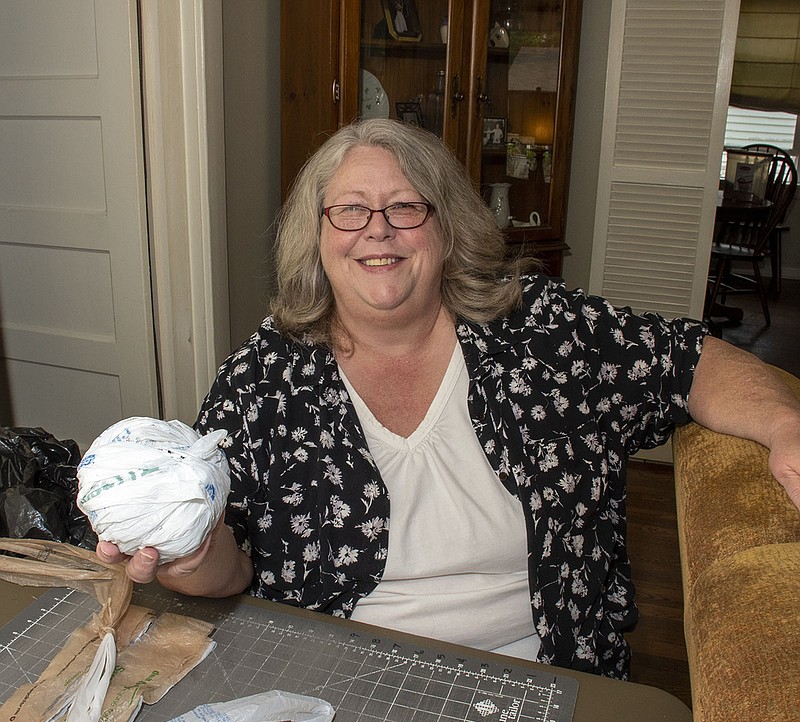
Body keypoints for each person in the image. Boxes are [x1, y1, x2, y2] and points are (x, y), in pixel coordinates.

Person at [97, 119, 800, 680]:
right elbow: (235, 567)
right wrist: (188, 556)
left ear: (447, 227)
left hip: (538, 675)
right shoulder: (261, 380)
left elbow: (690, 360)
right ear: (315, 238)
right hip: (331, 679)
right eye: (349, 210)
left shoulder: (542, 333)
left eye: (405, 206)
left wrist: (784, 422)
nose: (378, 228)